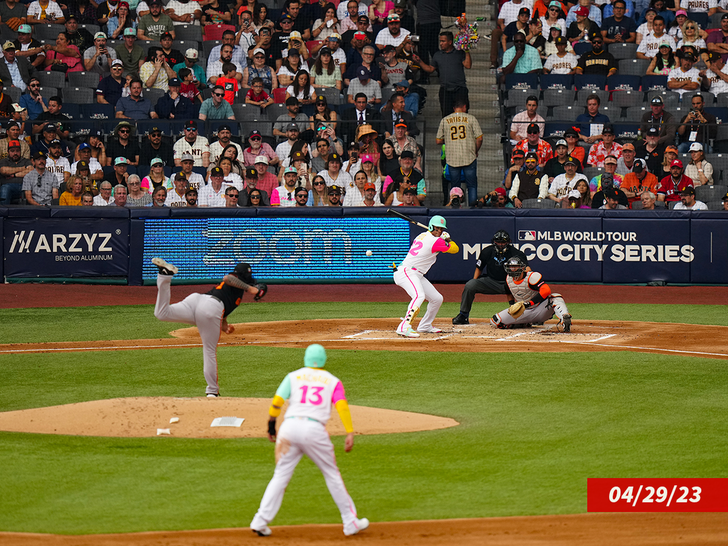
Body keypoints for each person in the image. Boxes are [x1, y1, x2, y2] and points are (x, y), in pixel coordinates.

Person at [250, 342, 369, 538]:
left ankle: (260, 520)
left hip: (288, 429)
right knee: (331, 473)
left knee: (280, 475)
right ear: (323, 360)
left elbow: (277, 401)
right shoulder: (332, 381)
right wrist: (349, 431)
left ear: (305, 358)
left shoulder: (293, 376)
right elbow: (342, 406)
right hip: (314, 430)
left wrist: (271, 425)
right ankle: (350, 521)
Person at [152, 258, 265, 396]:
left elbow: (222, 309)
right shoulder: (234, 280)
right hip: (209, 308)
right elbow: (228, 278)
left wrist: (224, 325)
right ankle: (212, 392)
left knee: (162, 313)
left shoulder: (236, 291)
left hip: (197, 301)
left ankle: (165, 276)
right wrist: (251, 288)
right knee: (209, 350)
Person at [393, 215, 458, 337]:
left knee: (437, 299)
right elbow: (455, 249)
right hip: (407, 272)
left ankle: (425, 325)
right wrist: (448, 239)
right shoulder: (436, 241)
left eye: (441, 229)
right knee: (419, 296)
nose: (439, 231)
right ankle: (404, 326)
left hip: (415, 273)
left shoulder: (422, 235)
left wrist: (442, 238)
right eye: (437, 228)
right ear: (431, 227)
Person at [452, 230, 527, 326]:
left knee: (528, 286)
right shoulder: (487, 251)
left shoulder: (516, 253)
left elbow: (526, 268)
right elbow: (479, 268)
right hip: (491, 282)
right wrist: (474, 281)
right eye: (498, 242)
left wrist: (528, 278)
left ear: (508, 242)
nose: (500, 245)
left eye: (503, 242)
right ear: (494, 242)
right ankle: (463, 315)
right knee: (470, 285)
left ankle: (529, 316)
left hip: (510, 282)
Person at [490, 257, 572, 332]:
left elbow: (546, 290)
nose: (513, 269)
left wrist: (529, 303)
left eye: (515, 267)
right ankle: (524, 323)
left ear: (522, 268)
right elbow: (509, 293)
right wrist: (512, 305)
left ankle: (564, 319)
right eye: (511, 267)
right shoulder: (508, 279)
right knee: (496, 321)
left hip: (540, 309)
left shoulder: (531, 277)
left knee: (555, 297)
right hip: (523, 311)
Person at [436, 98, 482, 206]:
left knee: (455, 187)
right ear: (464, 107)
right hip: (469, 156)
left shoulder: (445, 120)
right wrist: (475, 150)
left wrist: (448, 138)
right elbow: (479, 138)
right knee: (472, 186)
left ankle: (455, 208)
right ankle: (472, 209)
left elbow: (438, 140)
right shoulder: (471, 119)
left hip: (452, 158)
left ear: (453, 108)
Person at [413, 31, 471, 116]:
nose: (440, 43)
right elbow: (430, 69)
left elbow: (468, 65)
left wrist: (467, 51)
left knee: (462, 115)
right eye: (440, 41)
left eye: (443, 41)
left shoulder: (459, 52)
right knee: (446, 116)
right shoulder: (437, 55)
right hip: (445, 90)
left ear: (450, 42)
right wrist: (419, 61)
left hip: (460, 88)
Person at [0, 140, 33, 205]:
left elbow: (31, 170)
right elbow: (4, 171)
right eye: (12, 151)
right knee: (5, 188)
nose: (15, 153)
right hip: (8, 186)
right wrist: (22, 168)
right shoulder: (4, 161)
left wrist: (14, 175)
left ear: (20, 151)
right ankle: (2, 213)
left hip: (25, 186)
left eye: (17, 151)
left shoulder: (25, 161)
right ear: (8, 152)